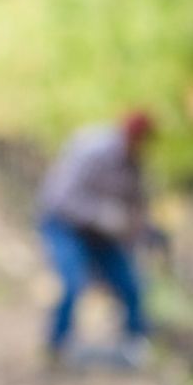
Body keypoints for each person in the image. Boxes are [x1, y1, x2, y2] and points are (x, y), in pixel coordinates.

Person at [36, 110, 156, 366]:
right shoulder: (93, 151)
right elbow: (60, 198)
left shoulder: (136, 164)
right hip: (64, 224)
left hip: (101, 233)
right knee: (71, 281)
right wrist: (99, 214)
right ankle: (57, 346)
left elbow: (135, 211)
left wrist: (138, 236)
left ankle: (134, 345)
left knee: (131, 283)